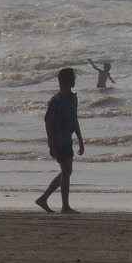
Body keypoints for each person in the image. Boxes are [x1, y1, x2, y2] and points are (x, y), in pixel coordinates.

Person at [35, 67, 84, 214]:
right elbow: (48, 123)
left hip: (67, 139)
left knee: (66, 171)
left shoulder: (73, 99)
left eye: (67, 83)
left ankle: (44, 199)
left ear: (72, 83)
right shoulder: (56, 101)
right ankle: (64, 206)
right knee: (66, 171)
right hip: (58, 140)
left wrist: (80, 140)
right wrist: (52, 144)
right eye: (62, 83)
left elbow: (75, 120)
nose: (64, 86)